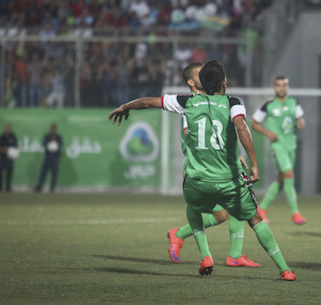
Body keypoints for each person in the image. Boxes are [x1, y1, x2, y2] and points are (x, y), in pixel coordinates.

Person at [108, 60, 296, 280]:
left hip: (196, 180)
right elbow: (241, 127)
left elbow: (148, 102)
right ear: (224, 83)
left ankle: (206, 254)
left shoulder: (187, 102)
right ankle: (284, 269)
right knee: (254, 219)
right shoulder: (233, 102)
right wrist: (254, 164)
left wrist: (125, 106)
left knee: (194, 208)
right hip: (228, 179)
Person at [165, 63, 261, 268]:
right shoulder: (190, 104)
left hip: (216, 163)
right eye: (198, 72)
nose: (203, 73)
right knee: (230, 204)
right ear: (191, 81)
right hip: (202, 168)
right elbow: (189, 135)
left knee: (223, 213)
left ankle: (233, 253)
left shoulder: (213, 102)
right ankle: (183, 235)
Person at [251, 77, 306, 225]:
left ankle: (261, 209)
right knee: (289, 174)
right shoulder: (268, 104)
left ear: (287, 87)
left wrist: (301, 122)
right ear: (274, 87)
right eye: (279, 85)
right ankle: (295, 213)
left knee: (282, 179)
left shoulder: (294, 103)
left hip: (291, 146)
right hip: (277, 146)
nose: (281, 88)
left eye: (284, 85)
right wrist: (267, 133)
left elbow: (300, 119)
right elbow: (254, 123)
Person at [35, 124, 63, 193]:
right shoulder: (47, 136)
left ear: (55, 129)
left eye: (54, 128)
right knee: (43, 173)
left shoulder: (58, 137)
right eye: (51, 128)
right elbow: (44, 143)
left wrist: (55, 143)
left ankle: (52, 188)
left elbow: (60, 145)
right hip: (47, 158)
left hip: (55, 158)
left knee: (54, 175)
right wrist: (50, 142)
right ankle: (39, 187)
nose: (52, 129)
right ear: (50, 129)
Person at [0, 124, 18, 192]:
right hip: (2, 158)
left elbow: (16, 147)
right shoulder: (1, 137)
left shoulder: (13, 137)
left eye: (8, 128)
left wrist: (10, 151)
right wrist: (5, 149)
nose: (7, 129)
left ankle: (8, 188)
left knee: (9, 173)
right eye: (6, 128)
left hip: (10, 158)